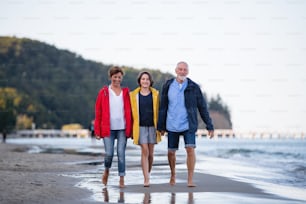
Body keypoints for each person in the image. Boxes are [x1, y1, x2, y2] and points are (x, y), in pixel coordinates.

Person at [157, 61, 214, 187]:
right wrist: (161, 126)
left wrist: (209, 125)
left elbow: (202, 107)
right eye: (180, 69)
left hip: (188, 124)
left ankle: (190, 179)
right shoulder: (168, 85)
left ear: (187, 72)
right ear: (176, 70)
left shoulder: (194, 87)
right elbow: (163, 106)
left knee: (190, 149)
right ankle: (173, 175)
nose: (182, 72)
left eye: (185, 70)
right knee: (171, 152)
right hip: (171, 123)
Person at [94, 66, 132, 188]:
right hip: (107, 128)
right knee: (109, 154)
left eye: (119, 77)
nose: (117, 79)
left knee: (121, 153)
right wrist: (97, 131)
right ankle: (106, 171)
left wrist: (131, 130)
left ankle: (122, 178)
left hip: (122, 128)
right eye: (115, 77)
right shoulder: (104, 92)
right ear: (111, 77)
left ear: (122, 78)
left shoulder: (126, 93)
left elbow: (131, 112)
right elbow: (98, 112)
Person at [130, 71, 161, 187]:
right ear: (139, 81)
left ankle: (148, 172)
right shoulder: (133, 95)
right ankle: (146, 178)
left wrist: (162, 127)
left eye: (147, 79)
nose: (145, 81)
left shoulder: (156, 94)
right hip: (140, 127)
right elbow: (130, 113)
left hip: (153, 127)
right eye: (143, 79)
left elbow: (159, 111)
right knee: (145, 151)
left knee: (151, 154)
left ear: (150, 81)